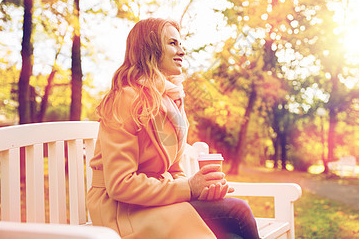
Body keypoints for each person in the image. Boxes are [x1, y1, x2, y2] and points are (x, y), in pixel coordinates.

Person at [86, 18, 259, 239]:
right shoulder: (125, 98)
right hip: (121, 211)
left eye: (181, 44)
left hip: (152, 202)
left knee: (232, 233)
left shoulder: (168, 99)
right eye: (173, 43)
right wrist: (188, 188)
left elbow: (173, 167)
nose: (182, 51)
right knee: (238, 212)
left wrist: (201, 189)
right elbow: (120, 184)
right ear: (150, 48)